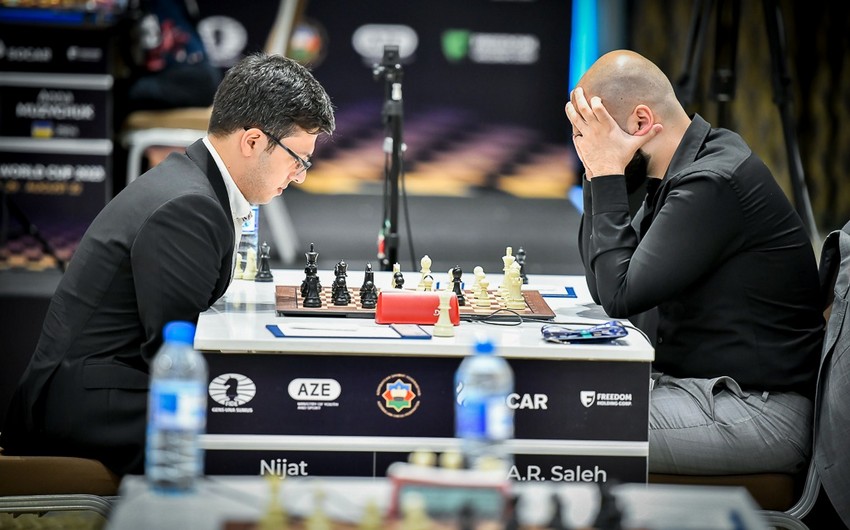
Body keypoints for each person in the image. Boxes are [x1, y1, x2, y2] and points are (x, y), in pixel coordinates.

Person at [0, 52, 335, 476]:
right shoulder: (189, 206)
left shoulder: (191, 182)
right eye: (298, 160)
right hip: (91, 407)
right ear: (252, 141)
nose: (300, 176)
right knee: (255, 428)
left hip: (100, 387)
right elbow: (172, 351)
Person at [566, 49, 823, 475]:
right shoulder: (681, 169)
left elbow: (619, 295)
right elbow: (602, 281)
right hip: (707, 390)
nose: (585, 147)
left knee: (567, 421)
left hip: (758, 410)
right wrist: (600, 173)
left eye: (592, 133)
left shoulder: (713, 182)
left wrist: (607, 169)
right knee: (561, 398)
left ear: (641, 122)